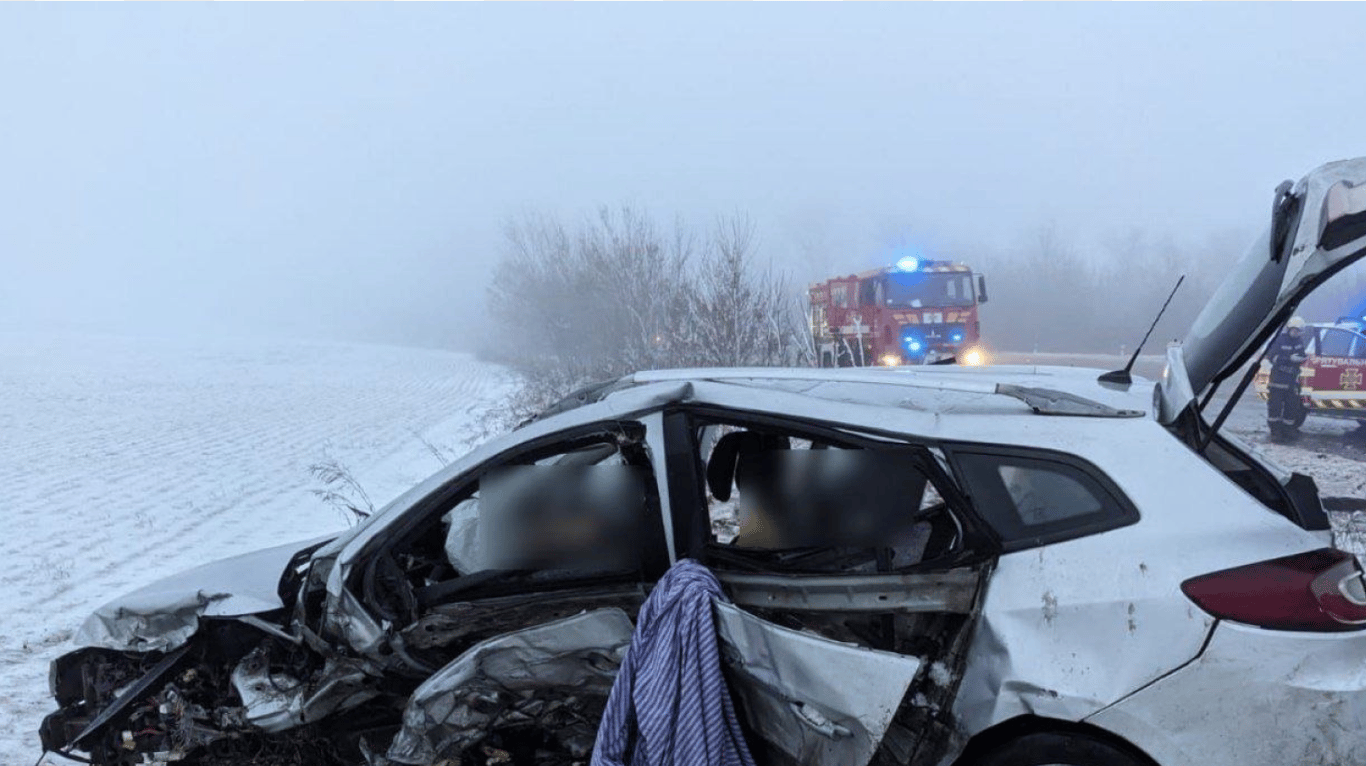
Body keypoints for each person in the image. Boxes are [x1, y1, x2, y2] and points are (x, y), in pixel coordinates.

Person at [1266, 316, 1309, 442]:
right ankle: (1275, 431)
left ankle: (1288, 429)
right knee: (1275, 407)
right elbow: (1271, 357)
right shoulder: (1280, 340)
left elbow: (1302, 354)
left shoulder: (1299, 341)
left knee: (1292, 407)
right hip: (1278, 380)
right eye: (1294, 330)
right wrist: (1289, 359)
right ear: (1289, 328)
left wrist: (1302, 358)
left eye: (1298, 331)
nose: (1296, 333)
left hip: (1292, 380)